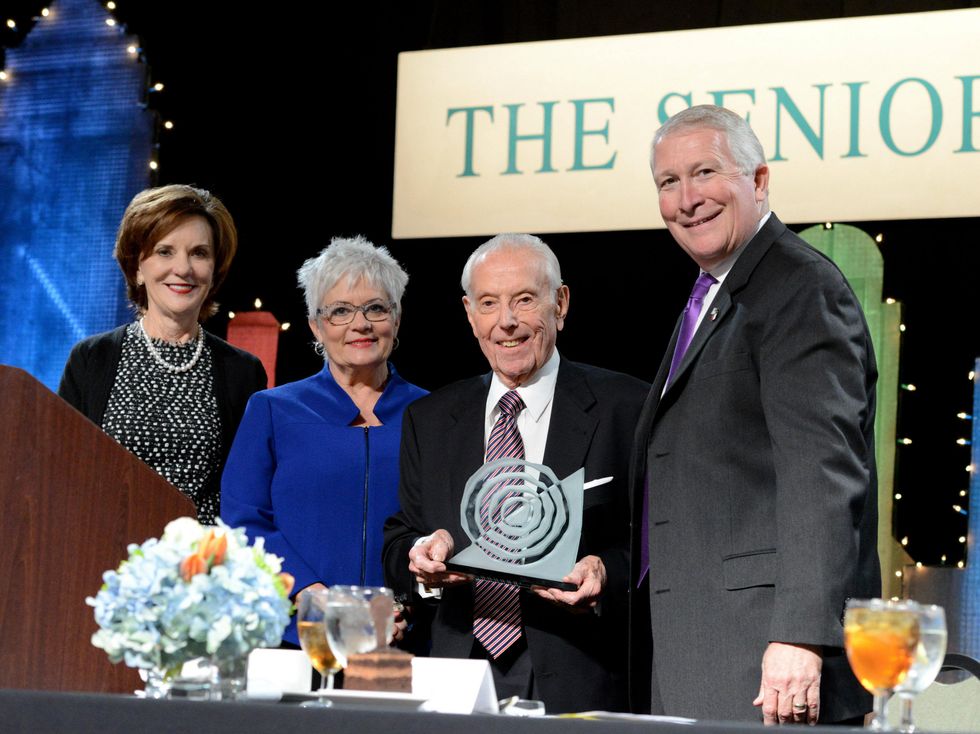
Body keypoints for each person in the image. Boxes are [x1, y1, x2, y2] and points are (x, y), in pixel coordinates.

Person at [631, 105, 880, 724]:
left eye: (706, 173)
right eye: (668, 182)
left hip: (768, 658)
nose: (687, 199)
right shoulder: (712, 293)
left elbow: (822, 474)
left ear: (760, 180)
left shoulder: (799, 287)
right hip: (702, 646)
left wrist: (800, 636)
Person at [383, 234, 649, 713]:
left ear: (560, 303)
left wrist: (607, 571)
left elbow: (660, 540)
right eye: (489, 303)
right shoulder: (430, 418)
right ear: (470, 314)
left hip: (577, 673)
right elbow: (401, 533)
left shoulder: (627, 408)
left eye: (524, 300)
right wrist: (421, 558)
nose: (506, 321)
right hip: (456, 672)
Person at [220, 236, 427, 646]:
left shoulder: (432, 414)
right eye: (340, 311)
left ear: (396, 319)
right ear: (316, 325)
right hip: (296, 635)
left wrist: (408, 608)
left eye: (376, 308)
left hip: (405, 639)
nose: (361, 323)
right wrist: (315, 597)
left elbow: (444, 526)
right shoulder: (273, 410)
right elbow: (244, 520)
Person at [58, 185, 266, 524]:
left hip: (202, 565)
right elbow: (63, 474)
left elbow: (248, 492)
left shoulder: (243, 372)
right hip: (106, 559)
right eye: (165, 251)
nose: (183, 268)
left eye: (199, 253)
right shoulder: (91, 359)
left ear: (214, 271)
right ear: (137, 266)